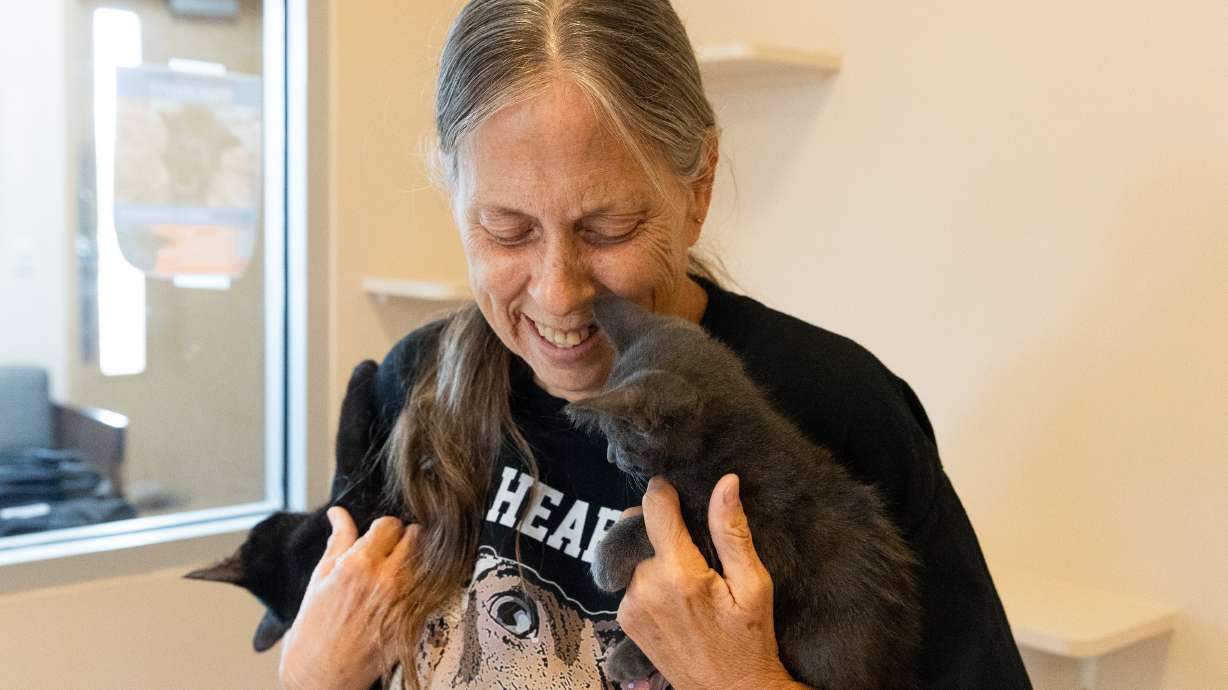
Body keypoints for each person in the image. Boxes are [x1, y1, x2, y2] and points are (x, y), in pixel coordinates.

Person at [278, 1, 1032, 689]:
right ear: (453, 195)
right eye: (507, 230)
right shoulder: (415, 386)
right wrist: (310, 679)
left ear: (697, 188)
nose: (557, 291)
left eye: (606, 231)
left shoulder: (835, 406)